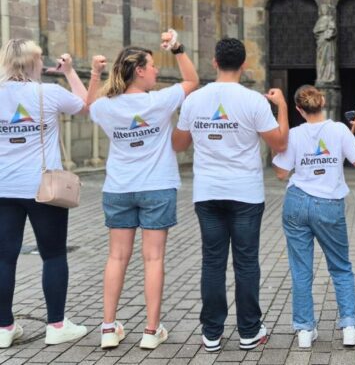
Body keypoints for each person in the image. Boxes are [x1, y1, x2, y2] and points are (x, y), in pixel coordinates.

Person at [172, 38, 288, 352]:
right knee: (246, 262)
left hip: (207, 192)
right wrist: (283, 108)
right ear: (244, 64)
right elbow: (279, 143)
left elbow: (179, 144)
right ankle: (249, 330)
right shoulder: (253, 101)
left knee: (212, 262)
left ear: (213, 62)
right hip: (245, 193)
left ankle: (211, 333)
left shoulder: (195, 100)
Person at [88, 30, 199, 350]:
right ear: (138, 71)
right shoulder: (159, 101)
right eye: (151, 66)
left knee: (116, 257)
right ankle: (151, 332)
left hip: (119, 188)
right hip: (157, 186)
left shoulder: (104, 107)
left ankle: (108, 328)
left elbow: (88, 103)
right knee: (153, 260)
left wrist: (92, 74)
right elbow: (191, 81)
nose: (156, 71)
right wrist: (177, 48)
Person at [0, 41, 90, 348]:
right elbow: (85, 104)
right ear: (32, 63)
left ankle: (3, 328)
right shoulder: (47, 93)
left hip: (3, 187)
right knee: (53, 255)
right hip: (43, 188)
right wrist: (70, 72)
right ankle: (56, 325)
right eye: (40, 60)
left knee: (3, 258)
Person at [272, 85, 355, 348]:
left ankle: (305, 330)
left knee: (301, 270)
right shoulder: (339, 130)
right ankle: (349, 326)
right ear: (323, 101)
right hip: (328, 205)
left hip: (296, 203)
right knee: (340, 267)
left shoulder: (293, 134)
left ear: (298, 109)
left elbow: (281, 173)